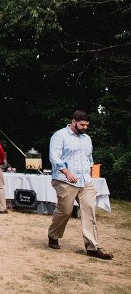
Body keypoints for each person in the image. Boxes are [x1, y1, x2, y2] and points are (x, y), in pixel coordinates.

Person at [47, 110, 113, 259]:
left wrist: (91, 172)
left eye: (86, 125)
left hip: (85, 181)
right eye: (82, 125)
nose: (85, 128)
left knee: (89, 210)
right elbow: (54, 157)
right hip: (64, 180)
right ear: (73, 121)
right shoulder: (59, 136)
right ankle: (53, 235)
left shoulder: (87, 138)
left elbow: (89, 157)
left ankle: (92, 247)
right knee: (65, 211)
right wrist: (67, 172)